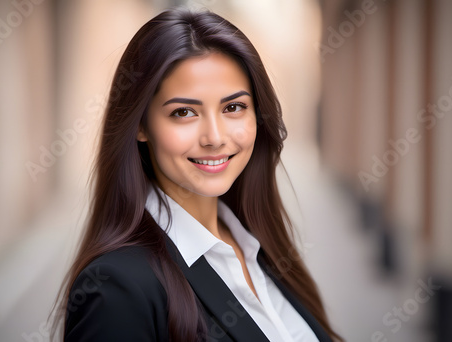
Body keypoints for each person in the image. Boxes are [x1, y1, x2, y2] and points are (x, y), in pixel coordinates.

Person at [54, 8, 342, 342]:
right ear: (142, 125)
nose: (215, 137)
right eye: (184, 112)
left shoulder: (258, 244)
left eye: (233, 107)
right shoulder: (117, 289)